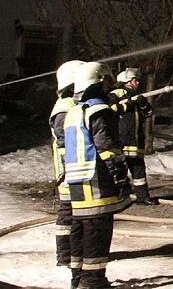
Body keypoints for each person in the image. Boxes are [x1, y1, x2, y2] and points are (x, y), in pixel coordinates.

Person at [64, 62, 132, 288]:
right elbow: (108, 148)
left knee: (80, 230)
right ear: (99, 81)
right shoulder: (99, 111)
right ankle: (93, 281)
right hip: (96, 181)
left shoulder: (74, 112)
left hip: (76, 182)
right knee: (97, 232)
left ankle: (78, 278)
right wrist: (121, 178)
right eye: (106, 81)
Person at [49, 60, 84, 285]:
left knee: (69, 213)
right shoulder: (64, 108)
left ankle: (67, 255)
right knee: (68, 214)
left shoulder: (68, 103)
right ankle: (65, 255)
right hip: (68, 170)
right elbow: (66, 143)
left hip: (70, 169)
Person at [111, 68, 158, 205]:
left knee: (138, 169)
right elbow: (110, 109)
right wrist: (128, 104)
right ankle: (119, 195)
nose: (137, 82)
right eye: (135, 80)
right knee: (119, 169)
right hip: (121, 139)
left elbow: (148, 113)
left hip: (136, 139)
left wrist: (144, 105)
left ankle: (142, 197)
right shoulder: (116, 94)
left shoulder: (137, 95)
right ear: (127, 81)